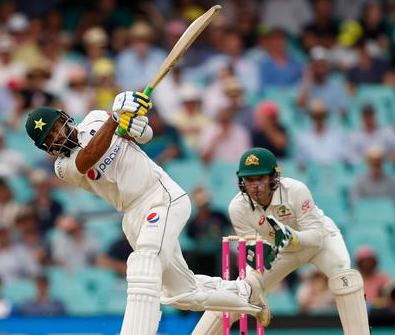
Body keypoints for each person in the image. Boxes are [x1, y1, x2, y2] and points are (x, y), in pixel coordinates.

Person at [24, 90, 269, 334]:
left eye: (55, 128)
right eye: (49, 138)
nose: (56, 136)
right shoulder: (62, 167)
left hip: (161, 197)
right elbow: (88, 158)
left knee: (145, 263)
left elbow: (142, 137)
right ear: (45, 148)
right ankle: (246, 294)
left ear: (63, 117)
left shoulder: (96, 118)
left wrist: (138, 128)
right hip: (132, 215)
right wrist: (116, 119)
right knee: (183, 293)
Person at [192, 147, 369, 335]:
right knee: (238, 294)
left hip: (320, 241)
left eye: (260, 178)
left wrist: (292, 238)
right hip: (280, 251)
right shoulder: (238, 207)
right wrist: (256, 266)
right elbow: (251, 247)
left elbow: (316, 236)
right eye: (249, 179)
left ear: (273, 177)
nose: (255, 186)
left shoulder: (295, 190)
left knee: (345, 279)